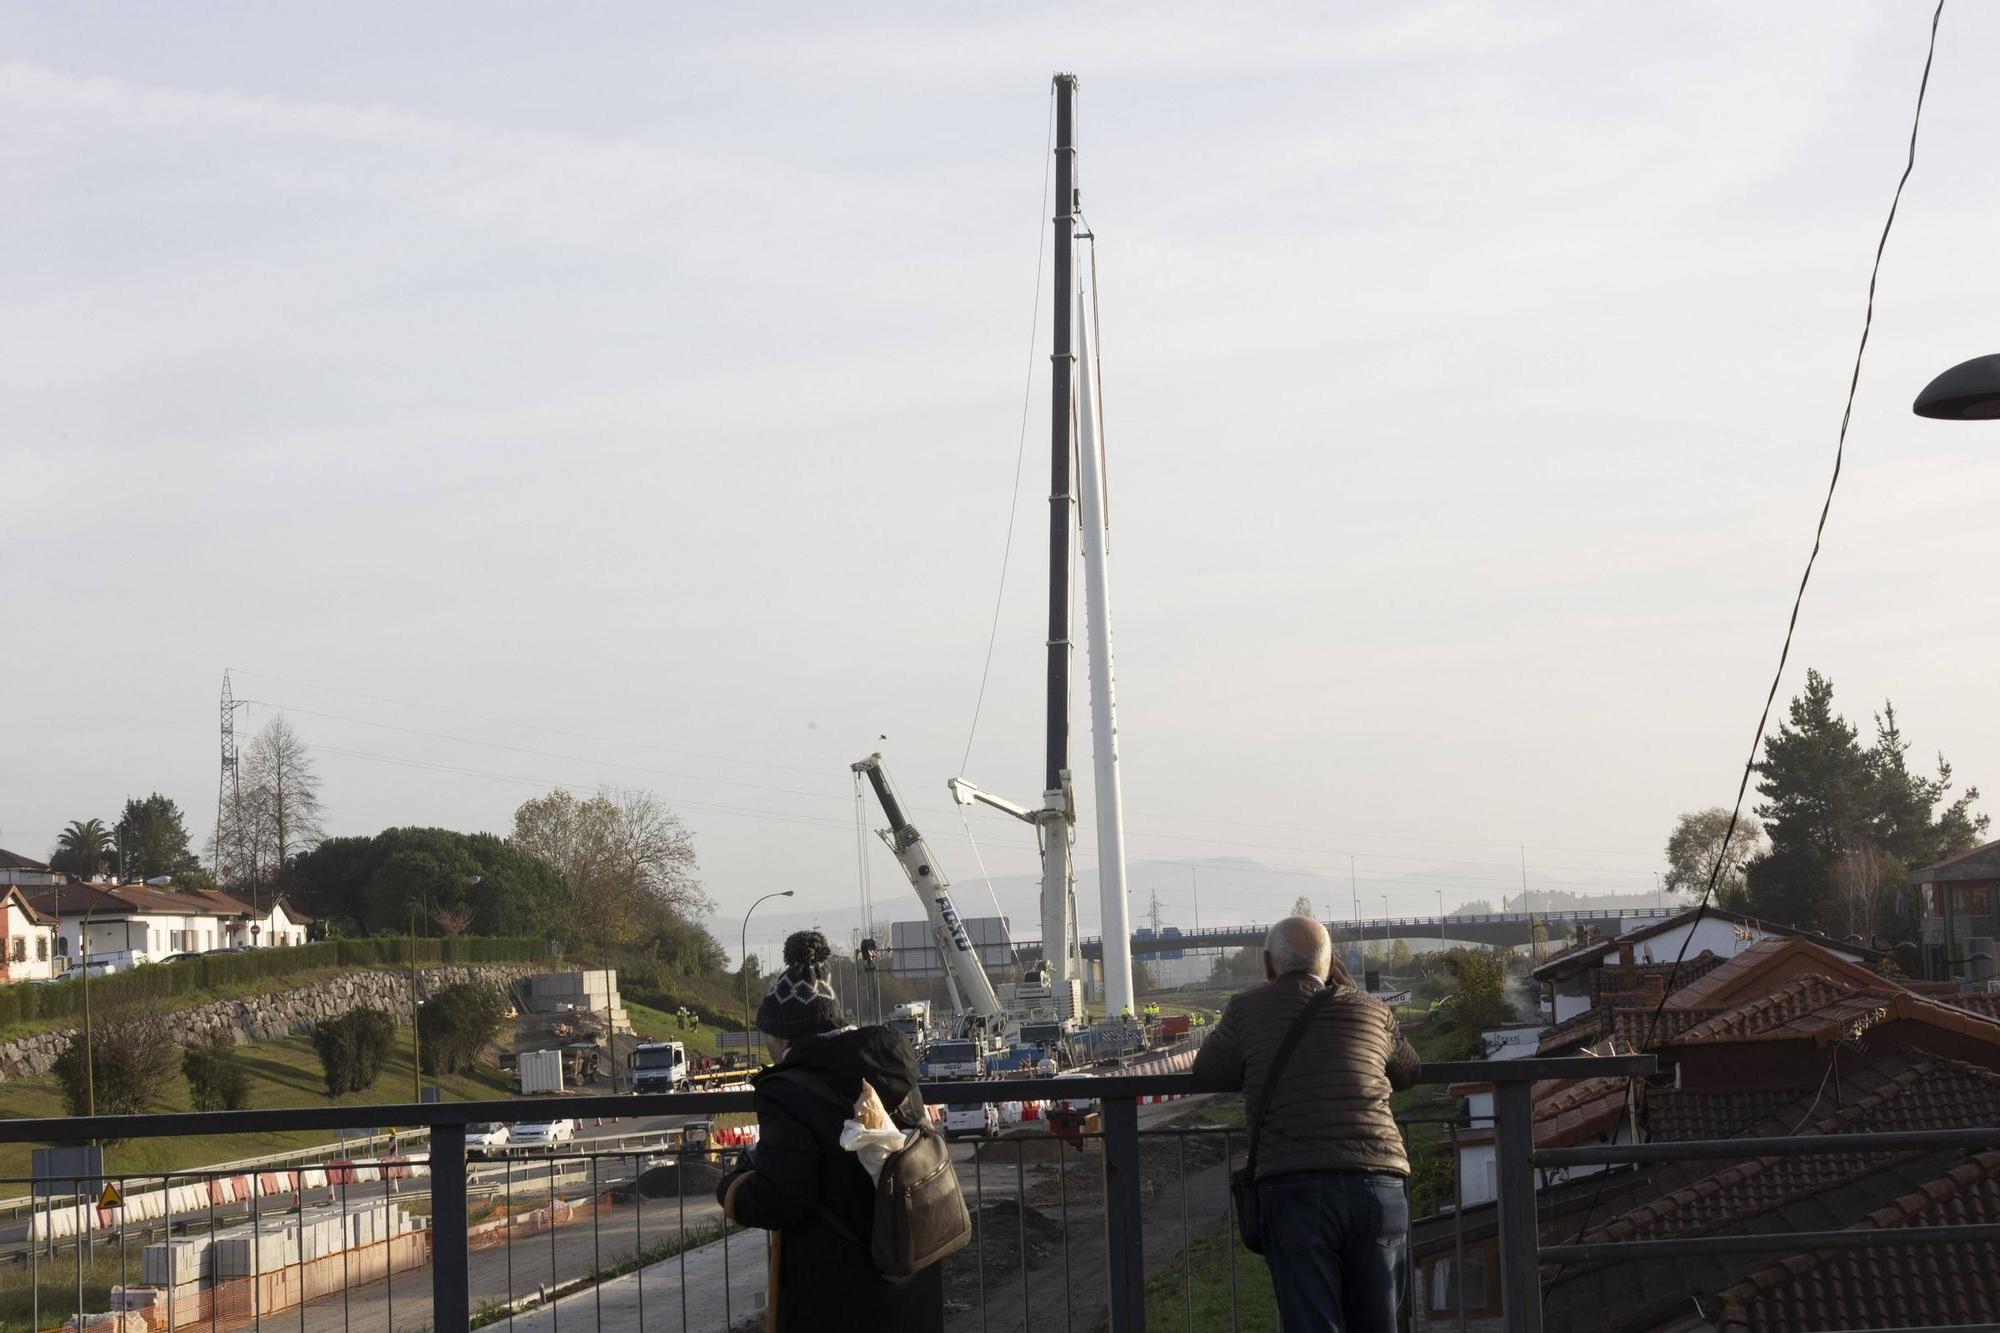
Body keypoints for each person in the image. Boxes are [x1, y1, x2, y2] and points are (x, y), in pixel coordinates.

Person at [1192, 915, 1420, 1332]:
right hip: (1379, 1185)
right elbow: (1408, 1071)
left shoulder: (1247, 1009)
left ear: (1268, 962)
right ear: (1331, 960)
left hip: (1294, 1186)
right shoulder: (1372, 1009)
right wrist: (1351, 996)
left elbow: (1208, 1072)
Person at [717, 929, 943, 1332]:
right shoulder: (893, 1072)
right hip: (910, 1273)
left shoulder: (785, 1092)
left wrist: (732, 1189)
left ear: (784, 1036)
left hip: (835, 1291)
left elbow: (781, 1198)